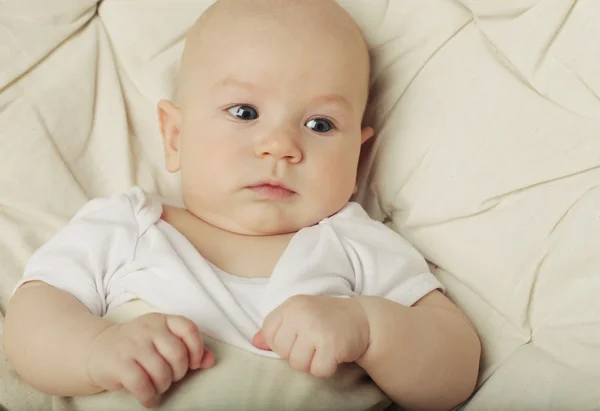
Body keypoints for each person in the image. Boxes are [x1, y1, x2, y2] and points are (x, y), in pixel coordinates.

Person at [2, 0, 481, 410]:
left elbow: (456, 368)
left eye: (319, 125)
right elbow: (30, 321)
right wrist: (95, 348)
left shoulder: (357, 243)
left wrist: (370, 328)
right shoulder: (125, 226)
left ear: (359, 152)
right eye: (245, 113)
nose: (280, 146)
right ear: (174, 136)